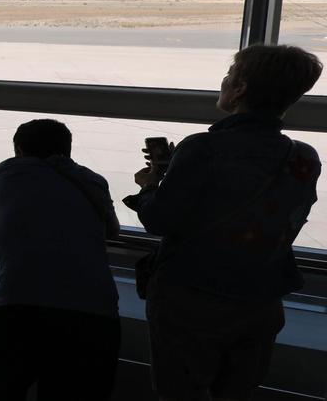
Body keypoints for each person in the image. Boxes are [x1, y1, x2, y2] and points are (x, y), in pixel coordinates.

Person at [125, 44, 322, 401]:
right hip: (260, 300)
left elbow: (159, 219)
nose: (224, 82)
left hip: (192, 300)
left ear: (240, 89)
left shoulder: (204, 148)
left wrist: (151, 186)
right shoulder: (303, 157)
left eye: (229, 76)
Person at [0, 119, 121, 401]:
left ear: (18, 149)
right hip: (94, 313)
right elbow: (113, 230)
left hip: (22, 305)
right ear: (68, 150)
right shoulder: (93, 180)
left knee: (5, 388)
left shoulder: (9, 170)